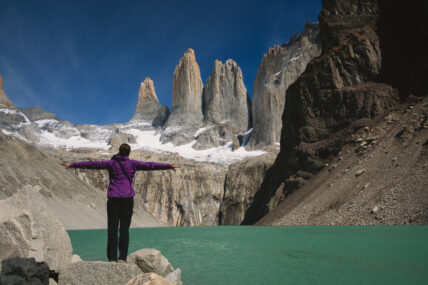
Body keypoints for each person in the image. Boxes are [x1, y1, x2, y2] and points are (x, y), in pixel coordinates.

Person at [61, 143, 179, 262]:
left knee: (112, 229)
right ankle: (122, 257)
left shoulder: (111, 163)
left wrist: (73, 164)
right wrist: (168, 166)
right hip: (127, 199)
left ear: (118, 151)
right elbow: (150, 165)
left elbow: (92, 164)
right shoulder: (133, 164)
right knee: (124, 229)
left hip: (113, 198)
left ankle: (112, 258)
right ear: (128, 153)